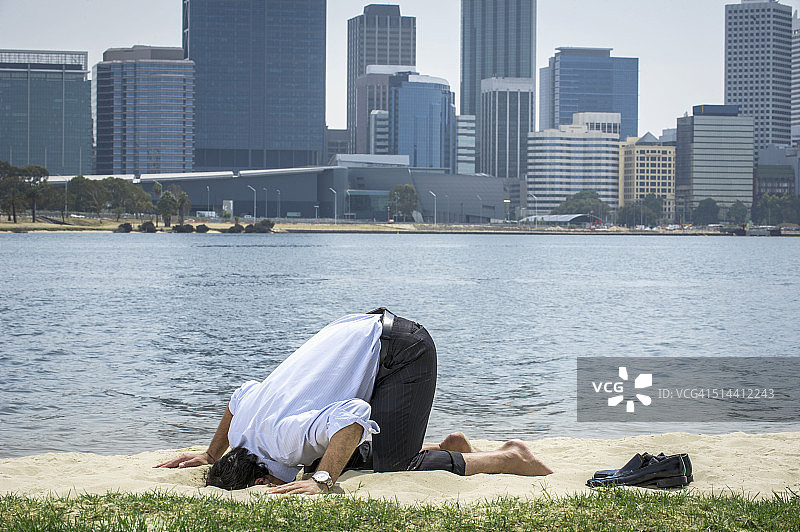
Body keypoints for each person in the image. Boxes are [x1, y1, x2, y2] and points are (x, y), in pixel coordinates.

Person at [156, 309, 552, 493]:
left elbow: (355, 415)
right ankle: (448, 449)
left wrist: (323, 481)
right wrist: (211, 454)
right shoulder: (246, 433)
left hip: (402, 349)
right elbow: (239, 395)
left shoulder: (287, 441)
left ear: (261, 479)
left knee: (387, 464)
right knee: (328, 454)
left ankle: (508, 458)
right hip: (365, 332)